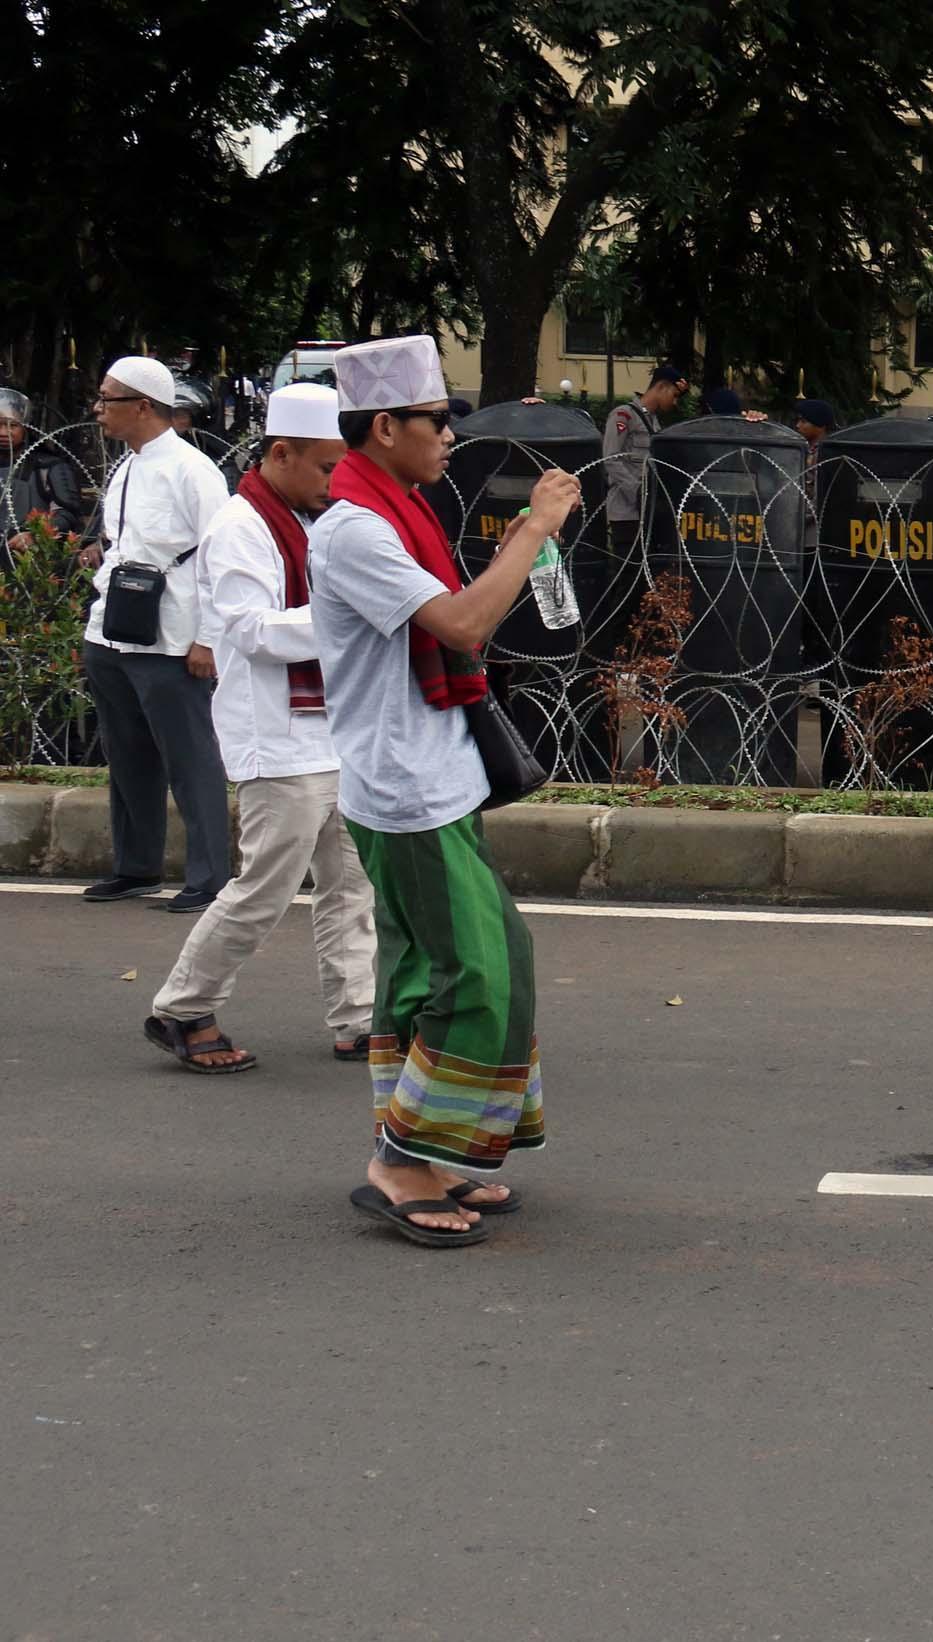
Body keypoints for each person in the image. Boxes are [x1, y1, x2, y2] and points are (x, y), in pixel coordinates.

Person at [309, 334, 582, 1248]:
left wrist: (522, 542)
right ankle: (402, 1160)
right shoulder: (356, 528)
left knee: (441, 971)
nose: (449, 437)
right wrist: (532, 531)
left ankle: (429, 1152)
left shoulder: (397, 512)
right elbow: (463, 624)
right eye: (436, 420)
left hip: (435, 777)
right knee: (479, 974)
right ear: (385, 427)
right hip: (405, 789)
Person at [143, 384, 376, 1074]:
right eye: (326, 467)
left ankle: (359, 1018)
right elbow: (252, 632)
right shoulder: (240, 525)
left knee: (352, 886)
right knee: (266, 890)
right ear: (280, 453)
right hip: (276, 739)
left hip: (335, 730)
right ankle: (183, 1008)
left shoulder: (311, 520)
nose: (336, 481)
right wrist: (351, 617)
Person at [77, 355, 235, 912]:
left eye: (107, 398)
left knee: (190, 759)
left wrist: (209, 638)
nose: (98, 409)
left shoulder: (194, 471)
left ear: (143, 406)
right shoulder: (127, 465)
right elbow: (122, 547)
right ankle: (136, 866)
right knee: (127, 756)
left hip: (172, 639)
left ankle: (209, 877)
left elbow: (221, 559)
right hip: (114, 631)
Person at [600, 363, 688, 545]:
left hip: (648, 511)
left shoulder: (654, 422)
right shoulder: (624, 415)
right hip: (626, 512)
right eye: (674, 395)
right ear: (661, 387)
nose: (674, 402)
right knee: (628, 560)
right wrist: (638, 492)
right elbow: (611, 459)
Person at [3, 386, 90, 552]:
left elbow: (68, 514)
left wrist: (36, 534)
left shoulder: (48, 467)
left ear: (25, 427)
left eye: (12, 425)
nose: (3, 432)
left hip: (32, 557)